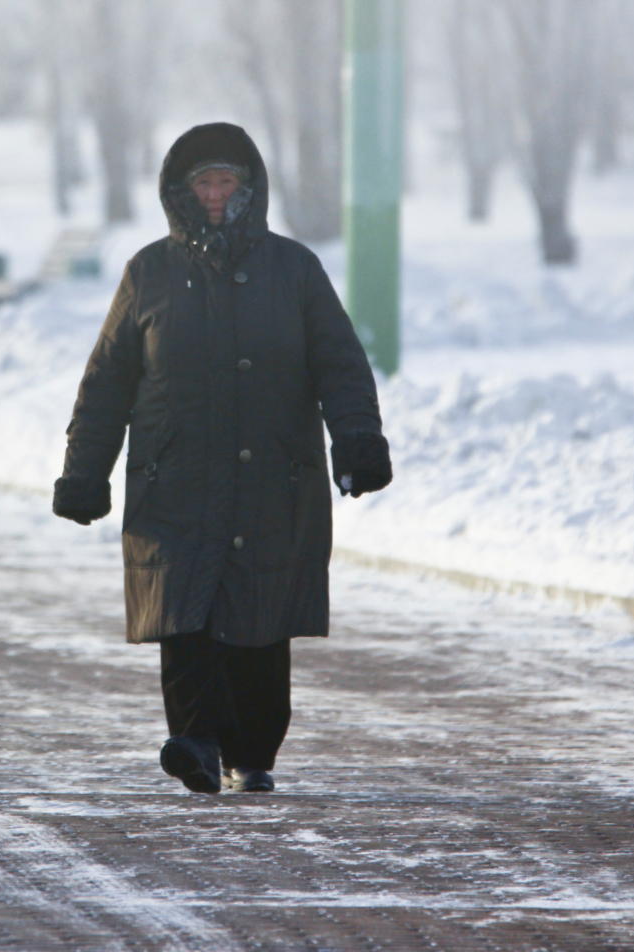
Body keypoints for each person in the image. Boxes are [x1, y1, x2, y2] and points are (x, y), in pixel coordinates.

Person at [52, 122, 392, 794]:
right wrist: (83, 472)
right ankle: (197, 741)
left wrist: (357, 442)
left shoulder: (294, 270)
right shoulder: (147, 273)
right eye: (203, 183)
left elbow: (340, 365)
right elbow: (107, 382)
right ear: (181, 192)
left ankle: (253, 751)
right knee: (187, 616)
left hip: (272, 477)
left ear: (248, 189)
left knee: (260, 623)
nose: (213, 194)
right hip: (175, 480)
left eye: (225, 181)